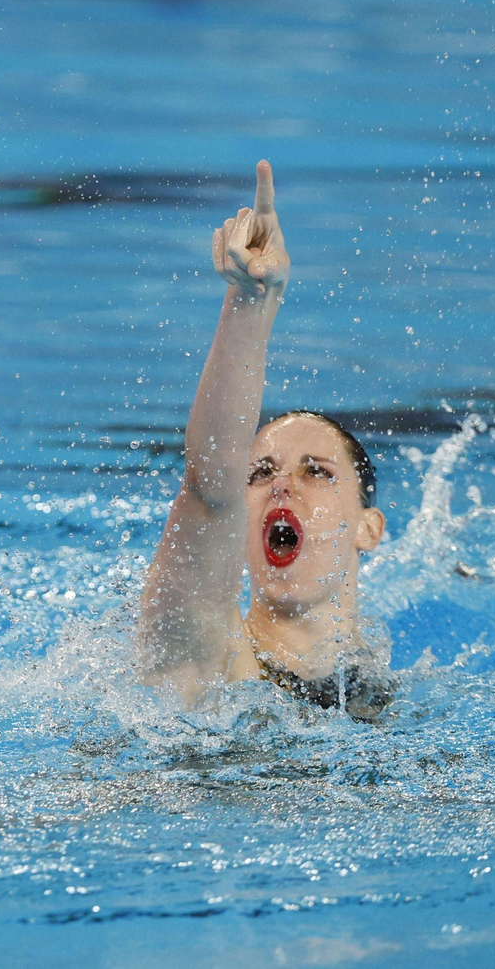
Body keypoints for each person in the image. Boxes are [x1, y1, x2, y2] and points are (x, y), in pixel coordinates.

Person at [137, 161, 394, 720]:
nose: (282, 483)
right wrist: (252, 301)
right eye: (260, 473)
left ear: (368, 528)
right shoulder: (212, 654)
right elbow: (209, 484)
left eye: (316, 471)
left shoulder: (394, 688)